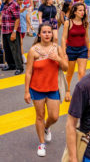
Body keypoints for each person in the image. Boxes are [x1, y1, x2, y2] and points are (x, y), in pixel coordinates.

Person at [24, 23, 68, 157]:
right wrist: (26, 91)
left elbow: (66, 68)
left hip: (53, 88)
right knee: (40, 116)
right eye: (44, 32)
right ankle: (41, 143)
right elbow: (28, 72)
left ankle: (47, 127)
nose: (47, 34)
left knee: (54, 116)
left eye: (49, 32)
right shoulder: (33, 50)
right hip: (37, 88)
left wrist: (59, 58)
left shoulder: (57, 49)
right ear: (39, 34)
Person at [61, 2, 89, 103]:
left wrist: (88, 49)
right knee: (70, 73)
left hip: (82, 50)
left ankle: (81, 92)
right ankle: (67, 90)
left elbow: (86, 37)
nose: (83, 12)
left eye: (83, 10)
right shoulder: (68, 23)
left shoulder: (85, 22)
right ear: (75, 12)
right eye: (80, 10)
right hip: (71, 50)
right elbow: (63, 39)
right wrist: (64, 53)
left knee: (82, 73)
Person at [1, 0, 23, 75]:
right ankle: (11, 64)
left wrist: (14, 32)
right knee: (7, 49)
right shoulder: (6, 5)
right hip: (5, 30)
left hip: (12, 30)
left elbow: (17, 19)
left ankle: (19, 67)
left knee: (15, 49)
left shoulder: (15, 5)